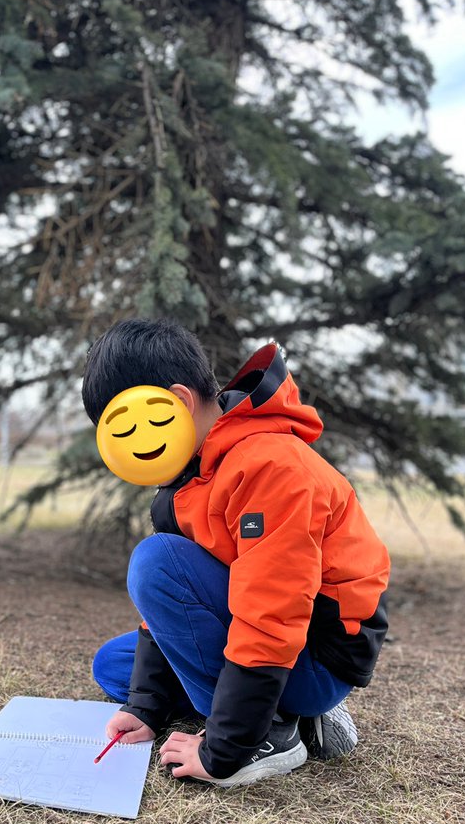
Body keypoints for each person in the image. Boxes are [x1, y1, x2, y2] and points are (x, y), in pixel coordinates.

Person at [82, 318, 390, 786]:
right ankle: (285, 713)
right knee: (114, 667)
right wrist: (144, 707)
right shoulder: (191, 474)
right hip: (271, 638)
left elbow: (272, 612)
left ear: (175, 402)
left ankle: (270, 730)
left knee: (154, 562)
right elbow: (178, 607)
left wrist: (225, 748)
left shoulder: (272, 467)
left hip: (316, 655)